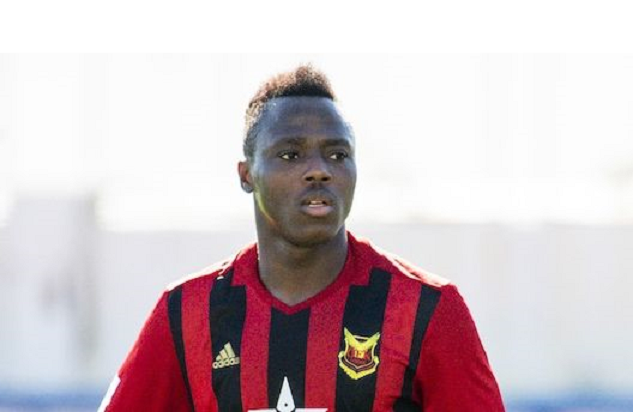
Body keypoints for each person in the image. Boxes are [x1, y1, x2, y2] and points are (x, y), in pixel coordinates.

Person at [99, 65, 505, 411]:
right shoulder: (187, 312)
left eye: (337, 154)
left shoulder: (426, 309)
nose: (319, 170)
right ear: (247, 175)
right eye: (290, 154)